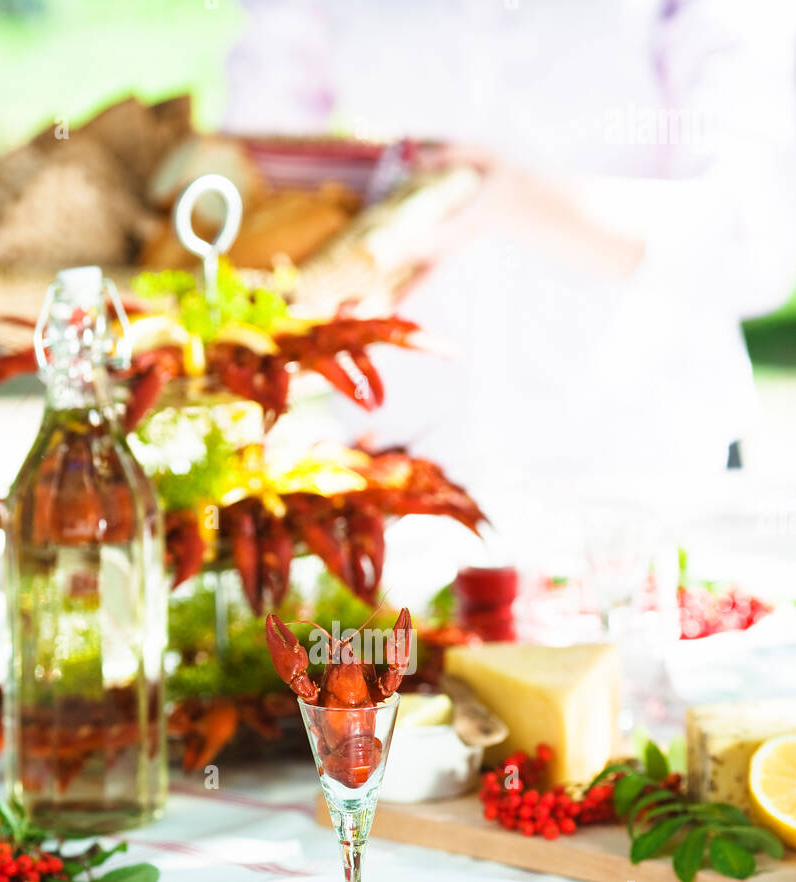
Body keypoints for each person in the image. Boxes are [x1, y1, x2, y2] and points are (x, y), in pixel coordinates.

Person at [226, 0, 796, 599]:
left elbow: (754, 243)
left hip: (638, 480)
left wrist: (512, 199)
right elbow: (254, 182)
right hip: (403, 491)